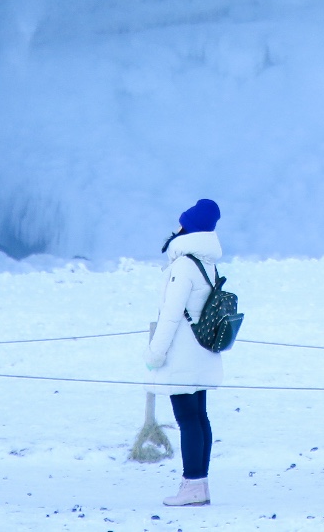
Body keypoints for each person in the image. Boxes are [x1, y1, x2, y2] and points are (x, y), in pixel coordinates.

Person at [146, 197, 227, 507]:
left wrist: (155, 353)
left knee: (188, 421)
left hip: (182, 354)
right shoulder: (206, 261)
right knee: (199, 418)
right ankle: (199, 485)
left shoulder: (183, 264)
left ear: (188, 227)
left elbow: (171, 313)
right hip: (202, 351)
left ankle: (192, 486)